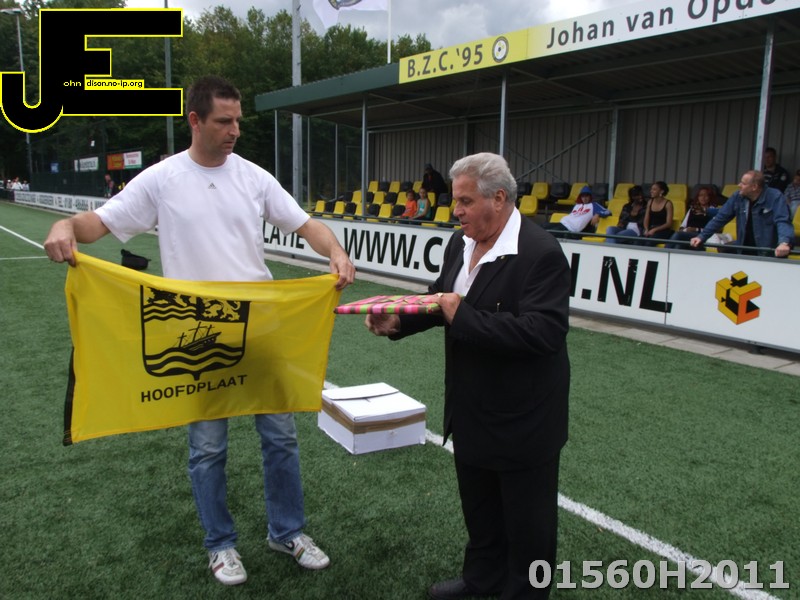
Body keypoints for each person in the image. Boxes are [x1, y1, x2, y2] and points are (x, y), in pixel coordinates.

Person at [43, 75, 355, 586]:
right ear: (195, 120)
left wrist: (336, 251)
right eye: (223, 121)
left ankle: (287, 531)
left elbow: (306, 226)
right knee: (208, 447)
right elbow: (96, 224)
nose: (235, 131)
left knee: (280, 438)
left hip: (259, 327)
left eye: (238, 121)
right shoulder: (162, 179)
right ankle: (220, 545)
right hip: (196, 333)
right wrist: (63, 227)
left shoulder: (254, 177)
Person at [366, 152, 570, 600]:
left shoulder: (541, 253)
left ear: (498, 199)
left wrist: (464, 316)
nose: (455, 210)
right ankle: (481, 581)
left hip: (523, 421)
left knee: (529, 527)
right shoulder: (460, 242)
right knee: (481, 512)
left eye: (464, 201)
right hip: (471, 409)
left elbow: (544, 334)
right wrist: (399, 320)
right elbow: (441, 300)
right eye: (455, 200)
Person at [690, 170, 793, 257]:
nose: (739, 185)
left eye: (743, 183)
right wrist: (701, 236)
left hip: (768, 252)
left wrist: (784, 243)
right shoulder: (737, 197)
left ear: (754, 187)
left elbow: (783, 221)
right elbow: (720, 218)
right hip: (744, 248)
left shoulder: (775, 197)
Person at [545, 185, 611, 239]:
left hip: (570, 229)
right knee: (543, 226)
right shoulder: (577, 205)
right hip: (563, 223)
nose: (584, 198)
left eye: (587, 196)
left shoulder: (593, 205)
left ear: (590, 196)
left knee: (548, 233)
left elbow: (608, 211)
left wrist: (597, 214)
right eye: (583, 196)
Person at [665, 185, 719, 250]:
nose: (703, 198)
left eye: (706, 195)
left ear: (710, 197)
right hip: (688, 234)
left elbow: (713, 229)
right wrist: (684, 229)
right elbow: (683, 226)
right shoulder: (692, 209)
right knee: (679, 244)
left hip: (701, 235)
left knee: (678, 235)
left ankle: (664, 252)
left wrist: (695, 229)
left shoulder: (713, 210)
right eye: (701, 195)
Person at [639, 181, 674, 245]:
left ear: (661, 191)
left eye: (654, 189)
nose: (651, 191)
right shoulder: (650, 202)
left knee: (649, 242)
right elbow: (646, 219)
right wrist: (646, 229)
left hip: (663, 231)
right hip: (650, 229)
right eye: (651, 189)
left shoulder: (668, 204)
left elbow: (669, 223)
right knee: (637, 241)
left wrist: (655, 230)